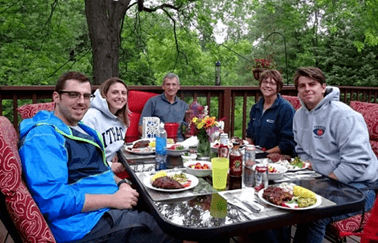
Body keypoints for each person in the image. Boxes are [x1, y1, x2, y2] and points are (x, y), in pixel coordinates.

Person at [18, 71, 181, 243]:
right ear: (56, 97)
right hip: (85, 224)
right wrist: (113, 199)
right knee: (171, 231)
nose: (81, 102)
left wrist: (122, 184)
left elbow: (99, 169)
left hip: (106, 204)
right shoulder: (43, 137)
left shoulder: (81, 129)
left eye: (86, 96)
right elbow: (52, 200)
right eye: (73, 95)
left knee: (165, 208)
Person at [292, 67, 378, 243]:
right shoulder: (299, 116)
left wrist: (324, 185)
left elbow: (357, 162)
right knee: (285, 200)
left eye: (312, 84)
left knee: (315, 215)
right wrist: (304, 175)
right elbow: (301, 151)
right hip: (324, 181)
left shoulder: (344, 115)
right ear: (298, 90)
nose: (307, 88)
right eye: (302, 85)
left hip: (361, 188)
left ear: (323, 87)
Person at [82, 77, 128, 175]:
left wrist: (116, 152)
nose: (120, 96)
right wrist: (110, 164)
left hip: (111, 170)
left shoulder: (121, 119)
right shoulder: (90, 117)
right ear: (104, 94)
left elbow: (116, 144)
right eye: (115, 92)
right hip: (93, 172)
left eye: (123, 93)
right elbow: (83, 154)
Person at [246, 69, 296, 157]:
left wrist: (264, 154)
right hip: (257, 155)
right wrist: (249, 150)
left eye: (272, 83)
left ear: (278, 87)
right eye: (265, 82)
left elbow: (287, 143)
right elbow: (249, 135)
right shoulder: (256, 107)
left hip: (279, 159)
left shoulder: (285, 108)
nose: (267, 85)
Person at [138, 73, 189, 141]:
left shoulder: (184, 105)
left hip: (178, 142)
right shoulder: (153, 102)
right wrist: (153, 142)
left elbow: (190, 126)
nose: (171, 87)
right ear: (163, 86)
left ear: (178, 87)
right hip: (158, 141)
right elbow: (141, 127)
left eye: (174, 84)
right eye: (168, 84)